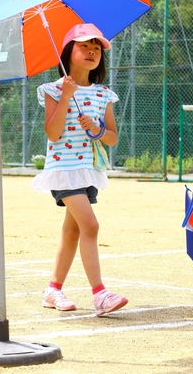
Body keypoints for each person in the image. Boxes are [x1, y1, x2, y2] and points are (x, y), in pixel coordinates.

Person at [30, 23, 128, 316]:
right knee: (91, 226)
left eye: (96, 48)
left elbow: (112, 137)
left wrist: (97, 129)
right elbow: (53, 133)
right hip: (63, 170)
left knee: (72, 233)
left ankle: (53, 290)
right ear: (68, 52)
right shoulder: (51, 90)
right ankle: (100, 294)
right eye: (84, 46)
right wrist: (64, 97)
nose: (91, 52)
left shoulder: (103, 94)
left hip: (88, 170)